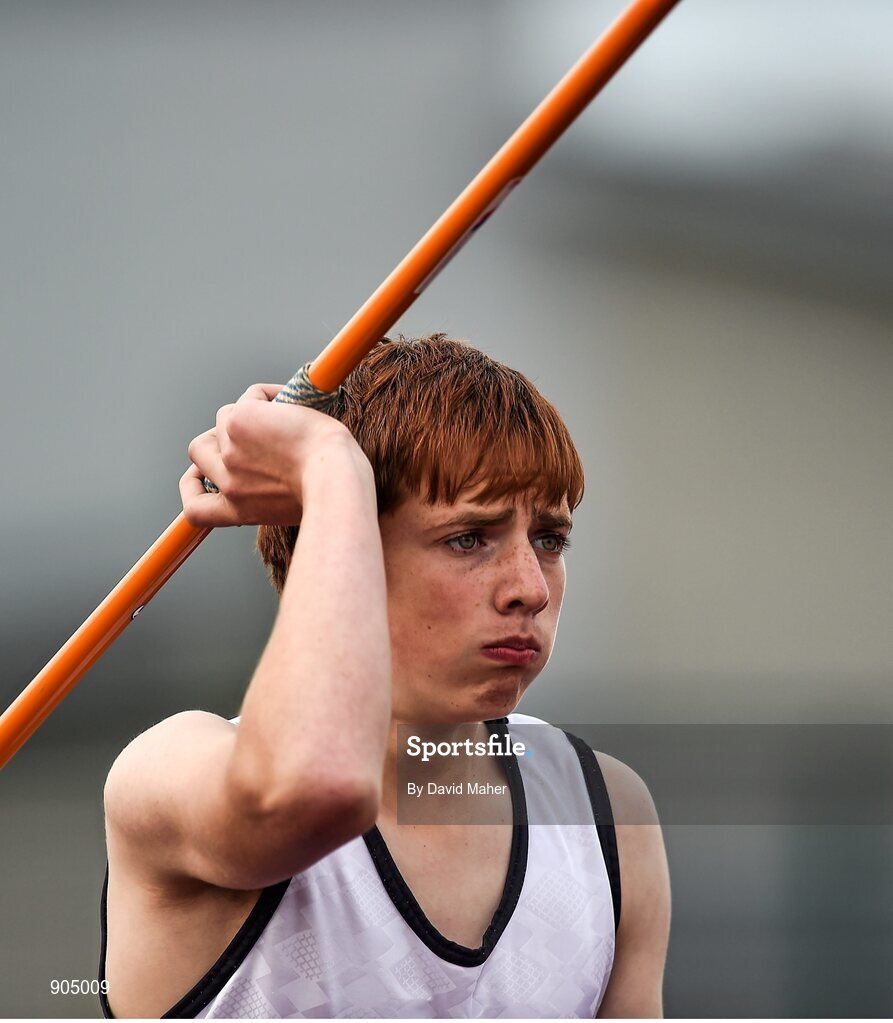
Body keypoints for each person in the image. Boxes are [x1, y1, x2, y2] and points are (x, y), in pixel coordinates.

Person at [100, 334, 671, 1018]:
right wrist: (328, 463)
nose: (530, 587)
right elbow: (315, 787)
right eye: (468, 537)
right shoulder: (166, 773)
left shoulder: (603, 813)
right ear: (338, 546)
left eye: (548, 539)